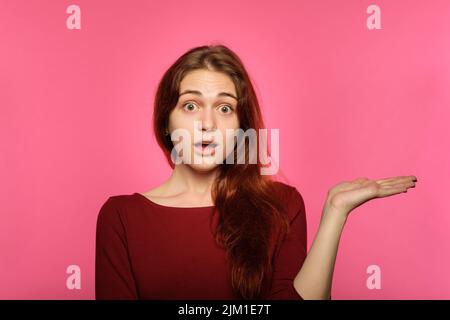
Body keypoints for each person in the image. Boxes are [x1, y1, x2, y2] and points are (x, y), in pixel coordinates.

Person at [95, 44, 418, 300]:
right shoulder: (121, 216)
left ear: (240, 127)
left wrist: (335, 212)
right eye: (190, 105)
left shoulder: (281, 203)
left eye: (225, 108)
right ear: (166, 121)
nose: (207, 124)